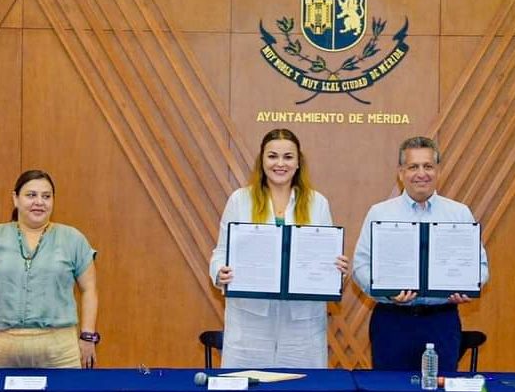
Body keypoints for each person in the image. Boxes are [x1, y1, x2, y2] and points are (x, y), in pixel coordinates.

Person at [209, 129, 349, 368]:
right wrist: (219, 271)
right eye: (273, 156)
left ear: (298, 163)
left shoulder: (317, 203)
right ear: (262, 161)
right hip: (250, 319)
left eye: (288, 157)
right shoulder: (240, 200)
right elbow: (221, 251)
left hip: (302, 322)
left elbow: (327, 256)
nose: (280, 163)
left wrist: (338, 270)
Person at [352, 136, 489, 371]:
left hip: (441, 321)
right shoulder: (380, 213)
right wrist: (387, 294)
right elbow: (361, 266)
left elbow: (480, 266)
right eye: (413, 166)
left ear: (438, 170)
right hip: (392, 322)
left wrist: (468, 285)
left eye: (428, 166)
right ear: (401, 172)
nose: (421, 173)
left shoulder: (458, 213)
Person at [0, 170, 99, 369]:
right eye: (31, 195)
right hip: (1, 346)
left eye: (46, 196)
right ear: (15, 198)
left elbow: (90, 290)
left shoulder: (73, 239)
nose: (39, 202)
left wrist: (88, 337)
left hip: (60, 348)